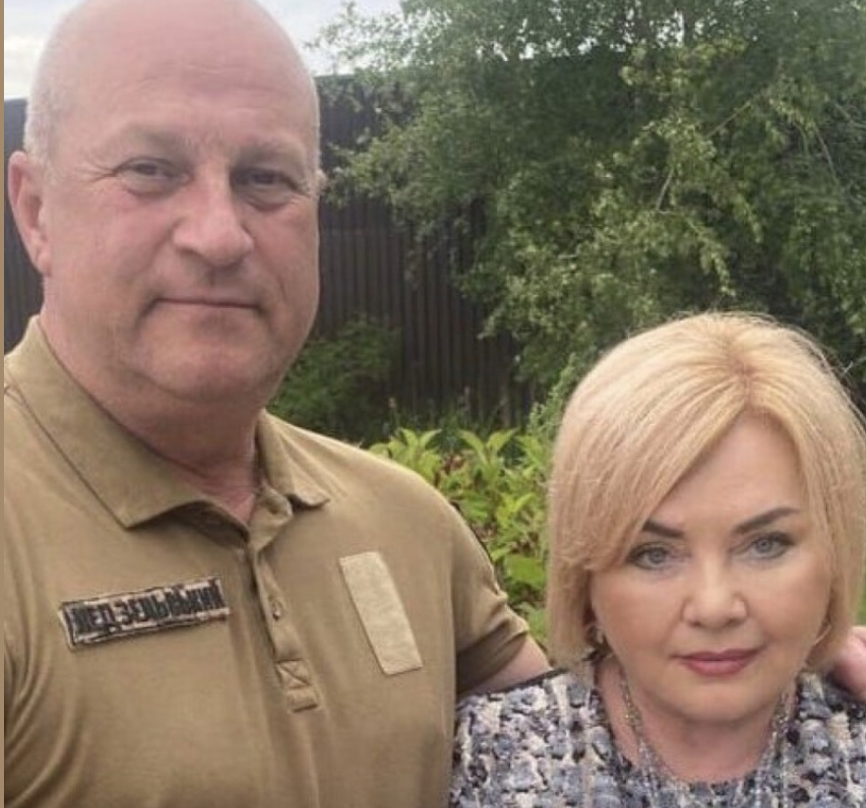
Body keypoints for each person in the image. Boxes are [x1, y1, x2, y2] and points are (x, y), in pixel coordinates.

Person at [2, 1, 552, 807]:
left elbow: (595, 756)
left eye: (266, 179)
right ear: (36, 210)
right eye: (151, 170)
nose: (219, 235)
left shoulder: (408, 525)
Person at [451, 312, 866, 807]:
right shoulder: (488, 760)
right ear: (585, 577)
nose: (714, 607)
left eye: (766, 544)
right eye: (653, 554)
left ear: (835, 551)